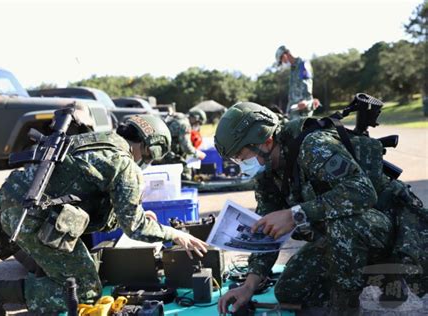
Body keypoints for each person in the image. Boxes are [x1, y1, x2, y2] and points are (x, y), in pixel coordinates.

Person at [0, 114, 208, 315]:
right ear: (151, 147)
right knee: (85, 290)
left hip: (12, 205)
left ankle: (40, 270)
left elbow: (95, 204)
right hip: (31, 218)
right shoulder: (125, 164)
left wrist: (136, 213)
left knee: (70, 265)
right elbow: (134, 228)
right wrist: (174, 234)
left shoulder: (101, 141)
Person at [214, 102, 426, 315]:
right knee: (290, 291)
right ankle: (375, 275)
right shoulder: (267, 172)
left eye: (241, 156)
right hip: (340, 235)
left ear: (267, 142)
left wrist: (295, 215)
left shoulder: (313, 146)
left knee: (342, 223)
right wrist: (249, 285)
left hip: (384, 227)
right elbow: (265, 232)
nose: (240, 163)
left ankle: (347, 305)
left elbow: (362, 192)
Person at [157, 109, 207, 180]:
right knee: (186, 174)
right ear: (195, 118)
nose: (196, 125)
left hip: (159, 151)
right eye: (198, 123)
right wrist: (198, 154)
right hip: (166, 155)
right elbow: (186, 148)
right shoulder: (185, 125)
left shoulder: (179, 117)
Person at [275, 45, 320, 120]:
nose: (283, 62)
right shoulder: (293, 69)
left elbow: (307, 83)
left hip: (303, 111)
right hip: (293, 111)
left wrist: (306, 102)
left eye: (281, 60)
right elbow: (292, 93)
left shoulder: (302, 64)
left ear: (285, 55)